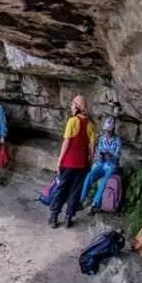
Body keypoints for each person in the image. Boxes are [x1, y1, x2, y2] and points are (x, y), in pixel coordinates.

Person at [49, 95, 96, 228]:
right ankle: (69, 218)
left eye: (72, 104)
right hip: (83, 164)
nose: (71, 107)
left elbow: (66, 142)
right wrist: (89, 162)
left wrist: (59, 160)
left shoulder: (72, 121)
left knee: (62, 188)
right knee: (76, 190)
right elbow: (92, 147)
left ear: (77, 106)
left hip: (69, 162)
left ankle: (54, 216)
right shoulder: (90, 125)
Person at [82, 116, 121, 213]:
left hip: (112, 166)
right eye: (106, 130)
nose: (107, 132)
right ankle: (81, 199)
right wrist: (101, 156)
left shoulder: (117, 140)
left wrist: (110, 156)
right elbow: (99, 151)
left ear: (113, 129)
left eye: (109, 130)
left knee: (104, 181)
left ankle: (95, 204)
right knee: (89, 176)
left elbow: (117, 156)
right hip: (102, 163)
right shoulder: (102, 138)